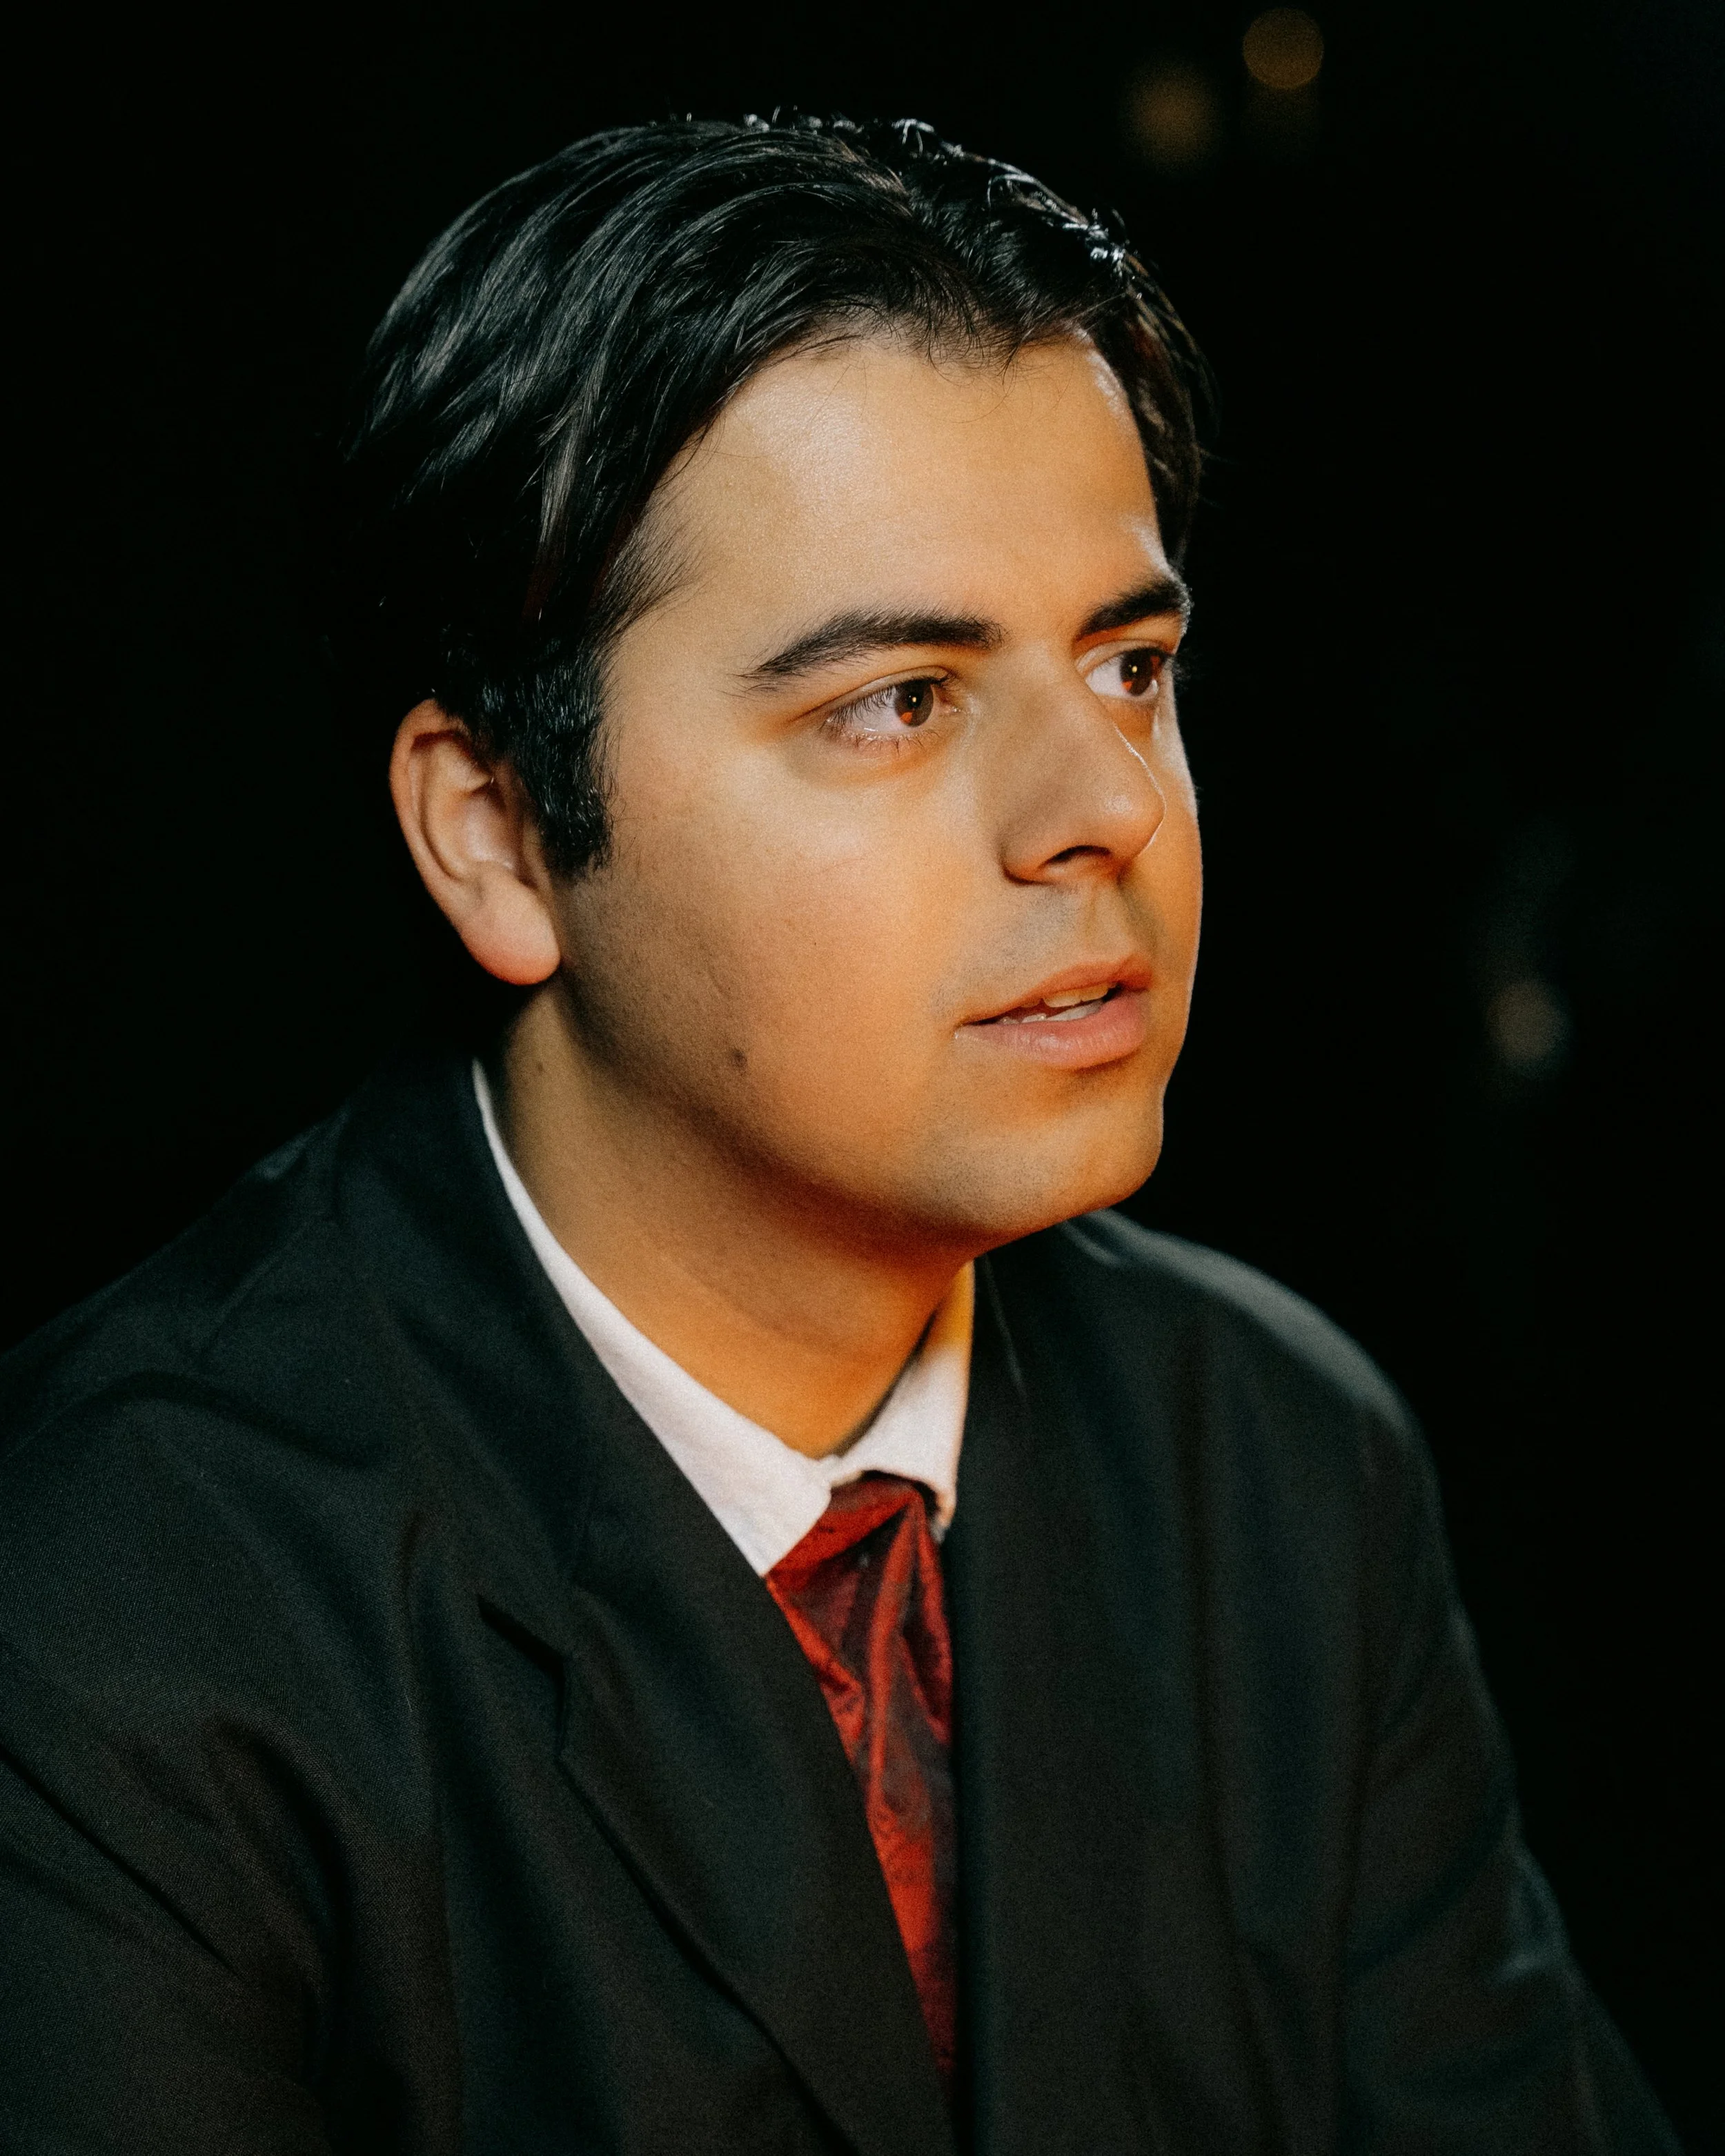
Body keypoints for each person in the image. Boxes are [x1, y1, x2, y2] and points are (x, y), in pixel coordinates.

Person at [0, 115, 1677, 2153]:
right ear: (499, 836)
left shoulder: (1271, 1452)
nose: (1108, 809)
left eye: (1129, 665)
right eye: (897, 700)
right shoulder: (111, 1605)